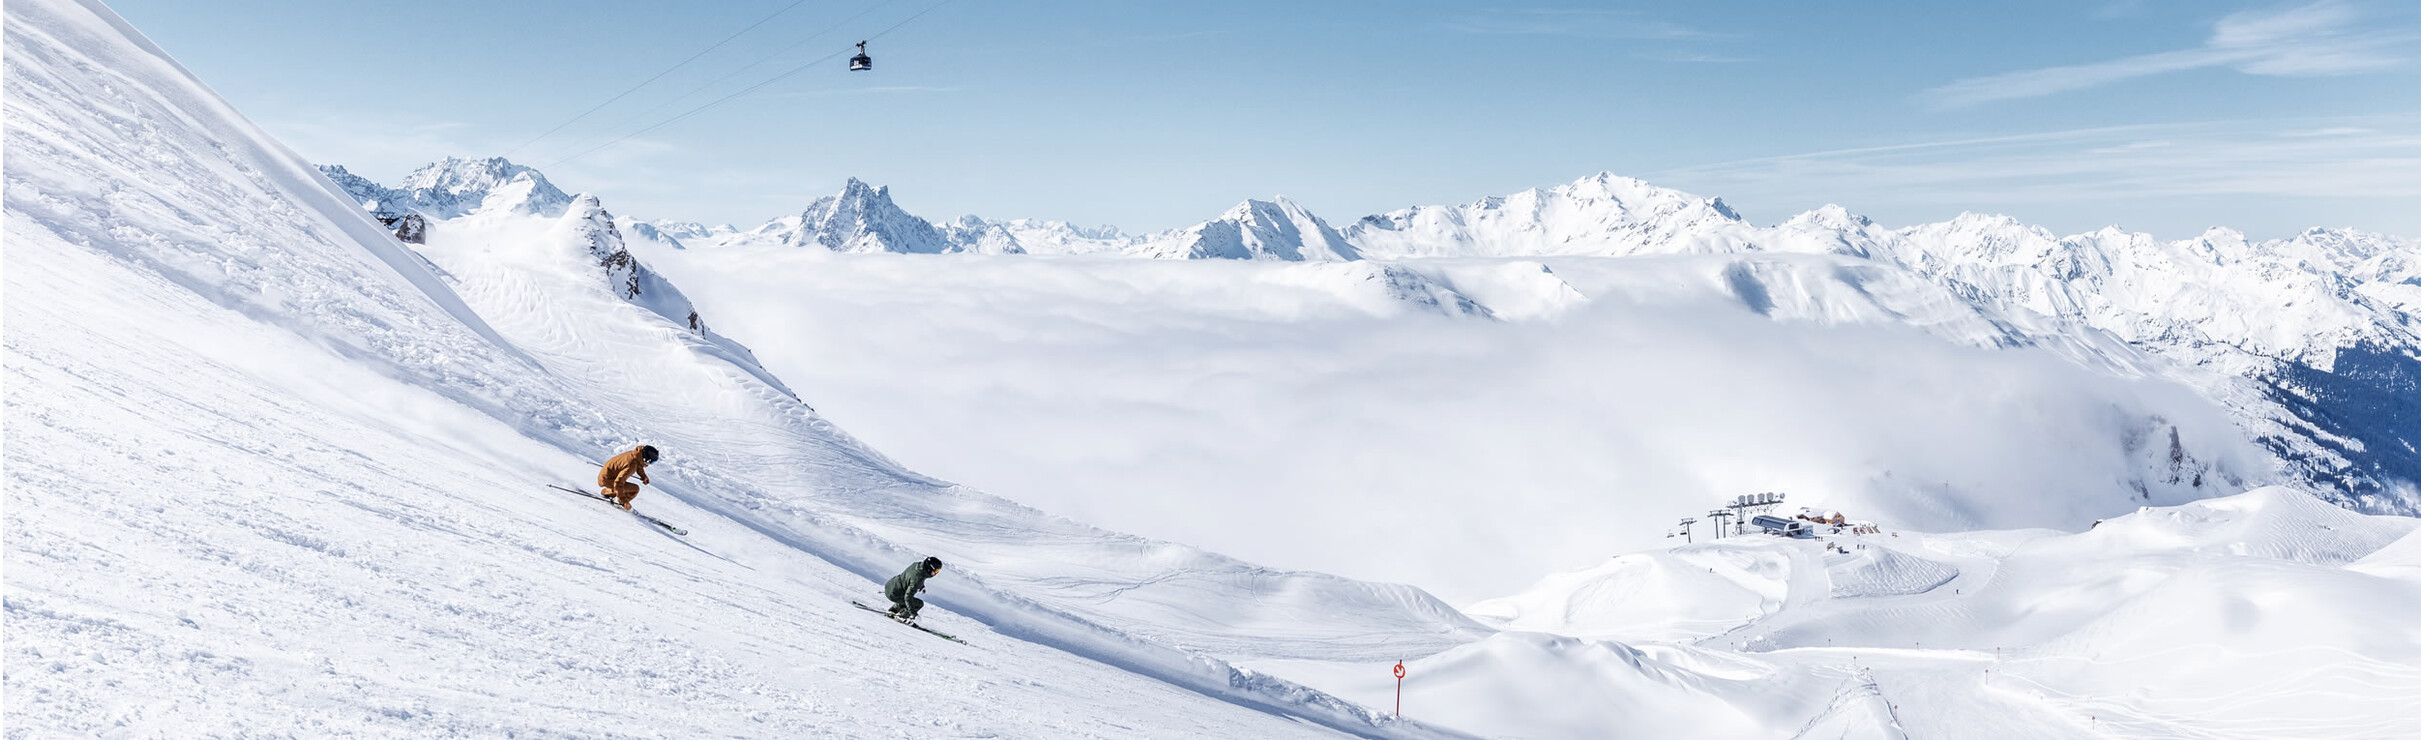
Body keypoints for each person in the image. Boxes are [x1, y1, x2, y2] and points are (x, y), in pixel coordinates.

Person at [596, 445, 658, 511]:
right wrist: (623, 501)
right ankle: (619, 502)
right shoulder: (632, 465)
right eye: (651, 462)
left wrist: (643, 476)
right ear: (646, 459)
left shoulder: (636, 455)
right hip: (608, 479)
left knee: (625, 487)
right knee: (634, 489)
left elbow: (639, 465)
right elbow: (618, 482)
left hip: (605, 476)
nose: (649, 464)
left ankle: (607, 492)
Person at [885, 556, 943, 624]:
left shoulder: (917, 565)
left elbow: (911, 577)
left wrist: (921, 586)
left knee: (904, 596)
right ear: (930, 568)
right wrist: (913, 614)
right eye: (936, 570)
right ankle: (902, 616)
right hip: (894, 594)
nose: (936, 573)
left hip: (891, 586)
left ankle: (893, 610)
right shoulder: (918, 579)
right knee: (918, 604)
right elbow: (908, 597)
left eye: (938, 571)